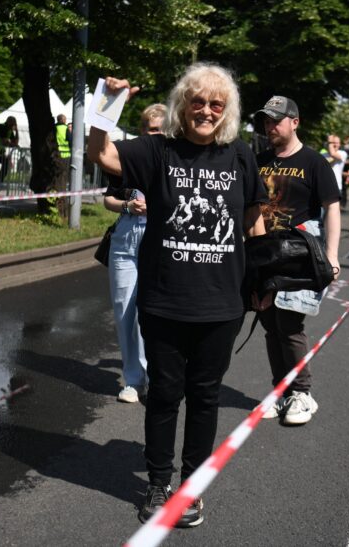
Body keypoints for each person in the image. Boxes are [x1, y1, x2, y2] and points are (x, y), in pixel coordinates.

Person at [87, 64, 267, 528]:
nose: (206, 111)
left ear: (225, 111)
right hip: (164, 299)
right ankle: (157, 483)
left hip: (222, 304)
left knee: (205, 398)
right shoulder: (157, 151)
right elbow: (102, 154)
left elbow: (253, 223)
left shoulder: (241, 155)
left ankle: (191, 487)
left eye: (216, 104)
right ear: (183, 104)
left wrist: (264, 282)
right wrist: (106, 104)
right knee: (165, 394)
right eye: (198, 101)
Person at [253, 95, 341, 426]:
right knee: (269, 325)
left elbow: (332, 207)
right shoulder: (259, 160)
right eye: (266, 120)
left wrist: (331, 256)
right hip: (262, 255)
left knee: (290, 324)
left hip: (297, 256)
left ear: (295, 122)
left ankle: (302, 393)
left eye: (276, 120)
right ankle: (281, 390)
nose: (270, 126)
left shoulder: (314, 162)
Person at [102, 104, 166, 404]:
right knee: (124, 309)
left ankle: (156, 374)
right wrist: (128, 206)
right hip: (125, 237)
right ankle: (133, 379)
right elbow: (108, 200)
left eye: (159, 130)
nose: (153, 135)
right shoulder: (128, 160)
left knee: (150, 311)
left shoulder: (171, 163)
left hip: (158, 237)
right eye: (149, 129)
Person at [323, 135, 348, 209]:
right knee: (321, 214)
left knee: (332, 212)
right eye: (332, 142)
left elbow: (333, 154)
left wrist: (330, 141)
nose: (334, 144)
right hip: (323, 186)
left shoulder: (342, 153)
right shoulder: (323, 155)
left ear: (340, 144)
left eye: (336, 143)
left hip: (336, 186)